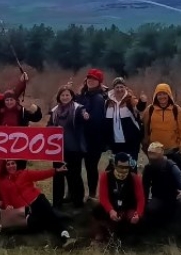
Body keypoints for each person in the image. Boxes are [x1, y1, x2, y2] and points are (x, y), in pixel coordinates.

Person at [0, 160, 76, 247]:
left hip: (37, 200)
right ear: (5, 167)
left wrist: (56, 170)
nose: (11, 166)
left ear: (16, 165)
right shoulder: (3, 183)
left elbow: (41, 174)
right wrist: (8, 206)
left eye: (13, 163)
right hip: (25, 210)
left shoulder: (25, 173)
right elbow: (5, 199)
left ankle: (65, 236)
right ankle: (63, 229)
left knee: (49, 215)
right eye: (8, 164)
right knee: (40, 220)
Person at [141, 83, 181, 187]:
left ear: (169, 95)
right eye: (159, 94)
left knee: (180, 174)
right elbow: (145, 128)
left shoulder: (176, 110)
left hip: (173, 149)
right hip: (155, 151)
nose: (162, 97)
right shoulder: (149, 110)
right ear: (155, 96)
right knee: (158, 177)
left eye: (165, 94)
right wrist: (145, 144)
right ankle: (158, 197)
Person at [47, 85, 90, 208]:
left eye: (67, 95)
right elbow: (48, 126)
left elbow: (83, 116)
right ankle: (57, 203)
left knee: (74, 176)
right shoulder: (55, 111)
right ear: (59, 97)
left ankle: (78, 203)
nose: (65, 97)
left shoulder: (78, 109)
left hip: (74, 149)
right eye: (62, 95)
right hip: (58, 150)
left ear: (72, 96)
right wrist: (55, 128)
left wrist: (85, 116)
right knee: (58, 176)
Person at [142, 142, 181, 238]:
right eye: (150, 154)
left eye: (154, 155)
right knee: (149, 208)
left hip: (174, 197)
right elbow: (144, 188)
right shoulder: (148, 168)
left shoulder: (171, 166)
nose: (152, 158)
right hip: (159, 198)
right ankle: (154, 231)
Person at [92, 152, 146, 242]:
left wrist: (138, 214)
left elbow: (141, 199)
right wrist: (111, 210)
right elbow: (103, 197)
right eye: (120, 167)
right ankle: (99, 232)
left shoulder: (135, 178)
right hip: (112, 207)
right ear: (114, 165)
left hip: (128, 208)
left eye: (126, 167)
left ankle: (127, 235)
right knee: (97, 209)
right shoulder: (105, 176)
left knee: (134, 228)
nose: (123, 170)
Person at [75, 69, 109, 200]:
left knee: (91, 168)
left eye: (94, 79)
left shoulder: (99, 98)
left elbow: (96, 120)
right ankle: (76, 194)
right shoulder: (82, 95)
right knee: (76, 167)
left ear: (99, 82)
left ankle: (92, 194)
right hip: (80, 138)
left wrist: (84, 118)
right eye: (89, 78)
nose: (90, 80)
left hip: (93, 140)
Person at [0, 89, 43, 170]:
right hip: (4, 143)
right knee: (5, 167)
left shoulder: (22, 110)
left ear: (15, 100)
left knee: (20, 168)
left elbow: (36, 118)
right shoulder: (1, 112)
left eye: (11, 100)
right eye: (7, 100)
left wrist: (34, 107)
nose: (9, 102)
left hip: (20, 144)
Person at [104, 77, 143, 167]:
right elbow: (105, 123)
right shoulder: (107, 102)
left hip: (131, 142)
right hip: (115, 143)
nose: (119, 89)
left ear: (125, 88)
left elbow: (139, 108)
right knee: (116, 168)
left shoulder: (130, 100)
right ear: (113, 89)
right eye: (117, 87)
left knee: (132, 167)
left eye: (121, 87)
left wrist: (142, 101)